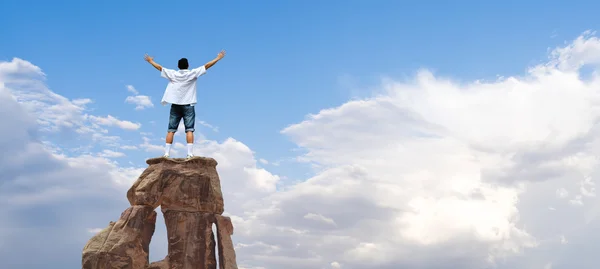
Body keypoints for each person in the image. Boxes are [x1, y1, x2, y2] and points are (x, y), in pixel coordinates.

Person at [144, 50, 226, 159]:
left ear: (178, 66)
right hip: (188, 105)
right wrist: (218, 58)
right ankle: (190, 154)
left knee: (171, 130)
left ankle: (166, 154)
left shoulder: (173, 74)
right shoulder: (192, 73)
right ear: (188, 66)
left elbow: (160, 68)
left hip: (175, 105)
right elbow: (207, 66)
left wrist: (150, 61)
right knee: (189, 129)